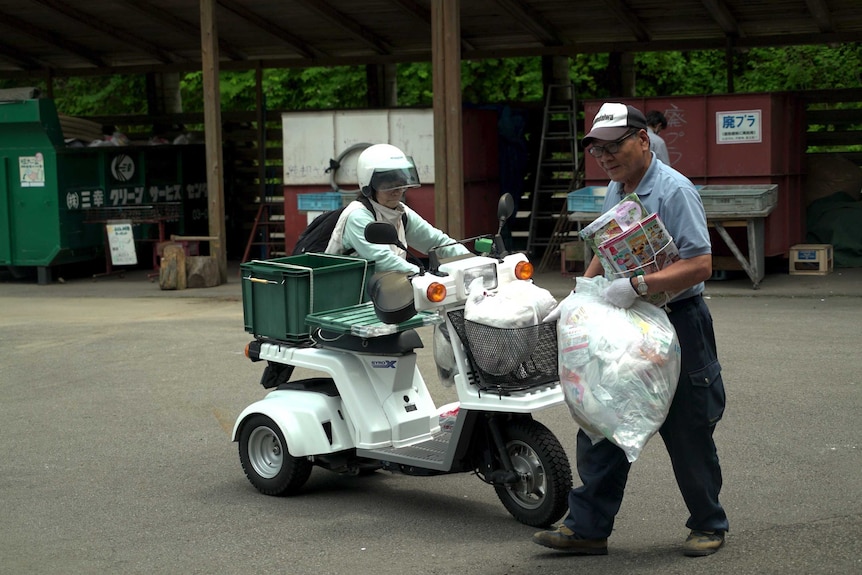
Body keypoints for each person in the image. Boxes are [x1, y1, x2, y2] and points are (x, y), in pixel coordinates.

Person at [532, 103, 729, 557]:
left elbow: (700, 265)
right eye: (598, 149)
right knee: (605, 414)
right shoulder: (616, 190)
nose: (606, 156)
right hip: (626, 319)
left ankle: (708, 524)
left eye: (614, 145)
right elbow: (606, 243)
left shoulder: (675, 191)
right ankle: (587, 528)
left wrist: (639, 284)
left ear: (643, 139)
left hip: (678, 321)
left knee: (687, 426)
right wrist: (586, 291)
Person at [325, 143, 469, 272]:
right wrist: (422, 275)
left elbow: (437, 242)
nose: (397, 191)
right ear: (369, 185)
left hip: (386, 292)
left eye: (400, 184)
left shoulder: (401, 213)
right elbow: (383, 261)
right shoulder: (358, 216)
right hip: (350, 296)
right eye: (387, 185)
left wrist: (472, 260)